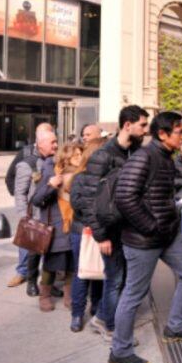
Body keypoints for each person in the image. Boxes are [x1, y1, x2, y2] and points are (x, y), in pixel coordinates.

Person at [110, 112, 182, 363]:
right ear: (162, 134)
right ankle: (120, 351)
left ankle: (176, 326)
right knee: (133, 293)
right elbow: (125, 197)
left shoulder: (165, 157)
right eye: (179, 132)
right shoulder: (144, 157)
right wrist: (151, 226)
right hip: (144, 239)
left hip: (166, 235)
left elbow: (162, 190)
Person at [81, 105, 149, 342]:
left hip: (128, 229)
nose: (146, 130)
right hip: (110, 232)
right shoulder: (103, 155)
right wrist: (101, 236)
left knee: (123, 279)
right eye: (142, 125)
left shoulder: (137, 151)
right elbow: (89, 199)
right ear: (127, 125)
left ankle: (105, 318)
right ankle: (107, 324)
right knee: (115, 279)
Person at [30, 137, 78, 312]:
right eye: (77, 154)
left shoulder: (81, 172)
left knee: (72, 264)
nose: (80, 156)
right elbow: (35, 199)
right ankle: (44, 296)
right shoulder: (50, 169)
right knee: (51, 264)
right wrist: (51, 185)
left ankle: (69, 296)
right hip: (56, 227)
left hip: (74, 225)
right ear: (68, 156)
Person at [7, 122, 54, 289]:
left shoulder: (54, 155)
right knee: (28, 243)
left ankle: (47, 280)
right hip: (31, 212)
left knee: (48, 246)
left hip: (49, 211)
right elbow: (12, 178)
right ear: (38, 138)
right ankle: (23, 272)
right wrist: (22, 214)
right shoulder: (26, 154)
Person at [68, 138, 107, 332]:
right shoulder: (80, 178)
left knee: (100, 271)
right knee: (82, 273)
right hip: (82, 232)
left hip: (100, 231)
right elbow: (77, 204)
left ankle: (97, 308)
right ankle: (77, 313)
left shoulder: (108, 176)